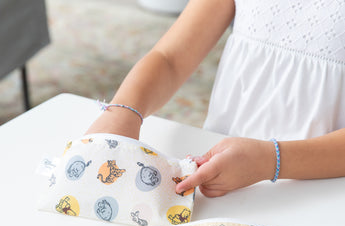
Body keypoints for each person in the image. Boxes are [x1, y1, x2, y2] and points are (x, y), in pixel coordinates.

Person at [85, 0, 345, 198]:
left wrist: (271, 160)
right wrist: (123, 111)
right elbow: (170, 58)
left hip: (322, 185)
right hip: (219, 172)